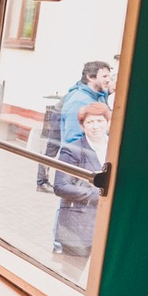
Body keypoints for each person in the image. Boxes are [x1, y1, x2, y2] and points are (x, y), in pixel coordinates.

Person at [51, 101, 112, 269]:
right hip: (78, 224)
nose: (95, 126)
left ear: (108, 122)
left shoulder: (115, 148)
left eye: (99, 121)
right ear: (82, 126)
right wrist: (96, 195)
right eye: (90, 122)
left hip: (107, 223)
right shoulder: (72, 150)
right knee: (71, 272)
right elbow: (60, 186)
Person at [37, 60, 113, 191]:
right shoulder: (78, 102)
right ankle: (41, 182)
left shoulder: (98, 92)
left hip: (66, 116)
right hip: (59, 116)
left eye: (109, 76)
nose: (109, 80)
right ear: (90, 77)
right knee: (52, 149)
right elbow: (73, 141)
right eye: (105, 76)